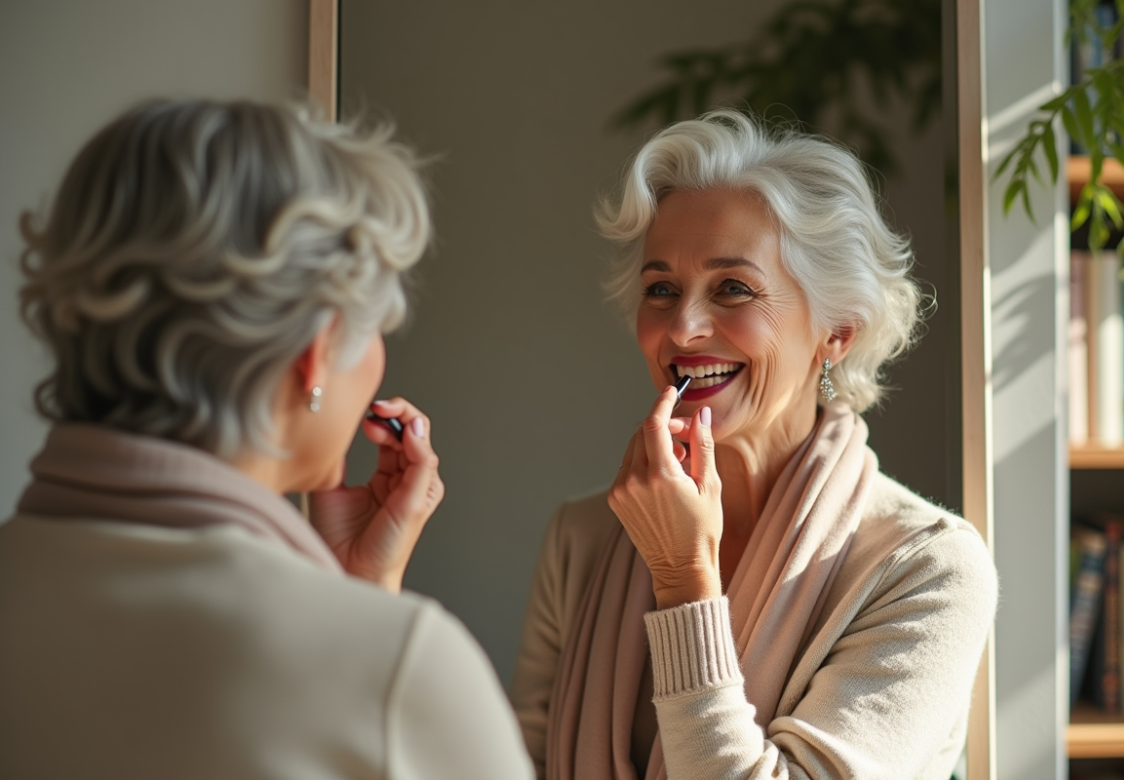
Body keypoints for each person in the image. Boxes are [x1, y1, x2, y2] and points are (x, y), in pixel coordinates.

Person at [0, 99, 533, 780]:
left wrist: (347, 592)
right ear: (316, 354)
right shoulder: (404, 669)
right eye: (374, 330)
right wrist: (363, 626)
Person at [510, 111, 998, 780]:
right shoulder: (582, 538)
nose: (682, 328)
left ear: (838, 330)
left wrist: (684, 582)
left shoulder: (928, 567)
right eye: (661, 289)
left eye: (733, 288)